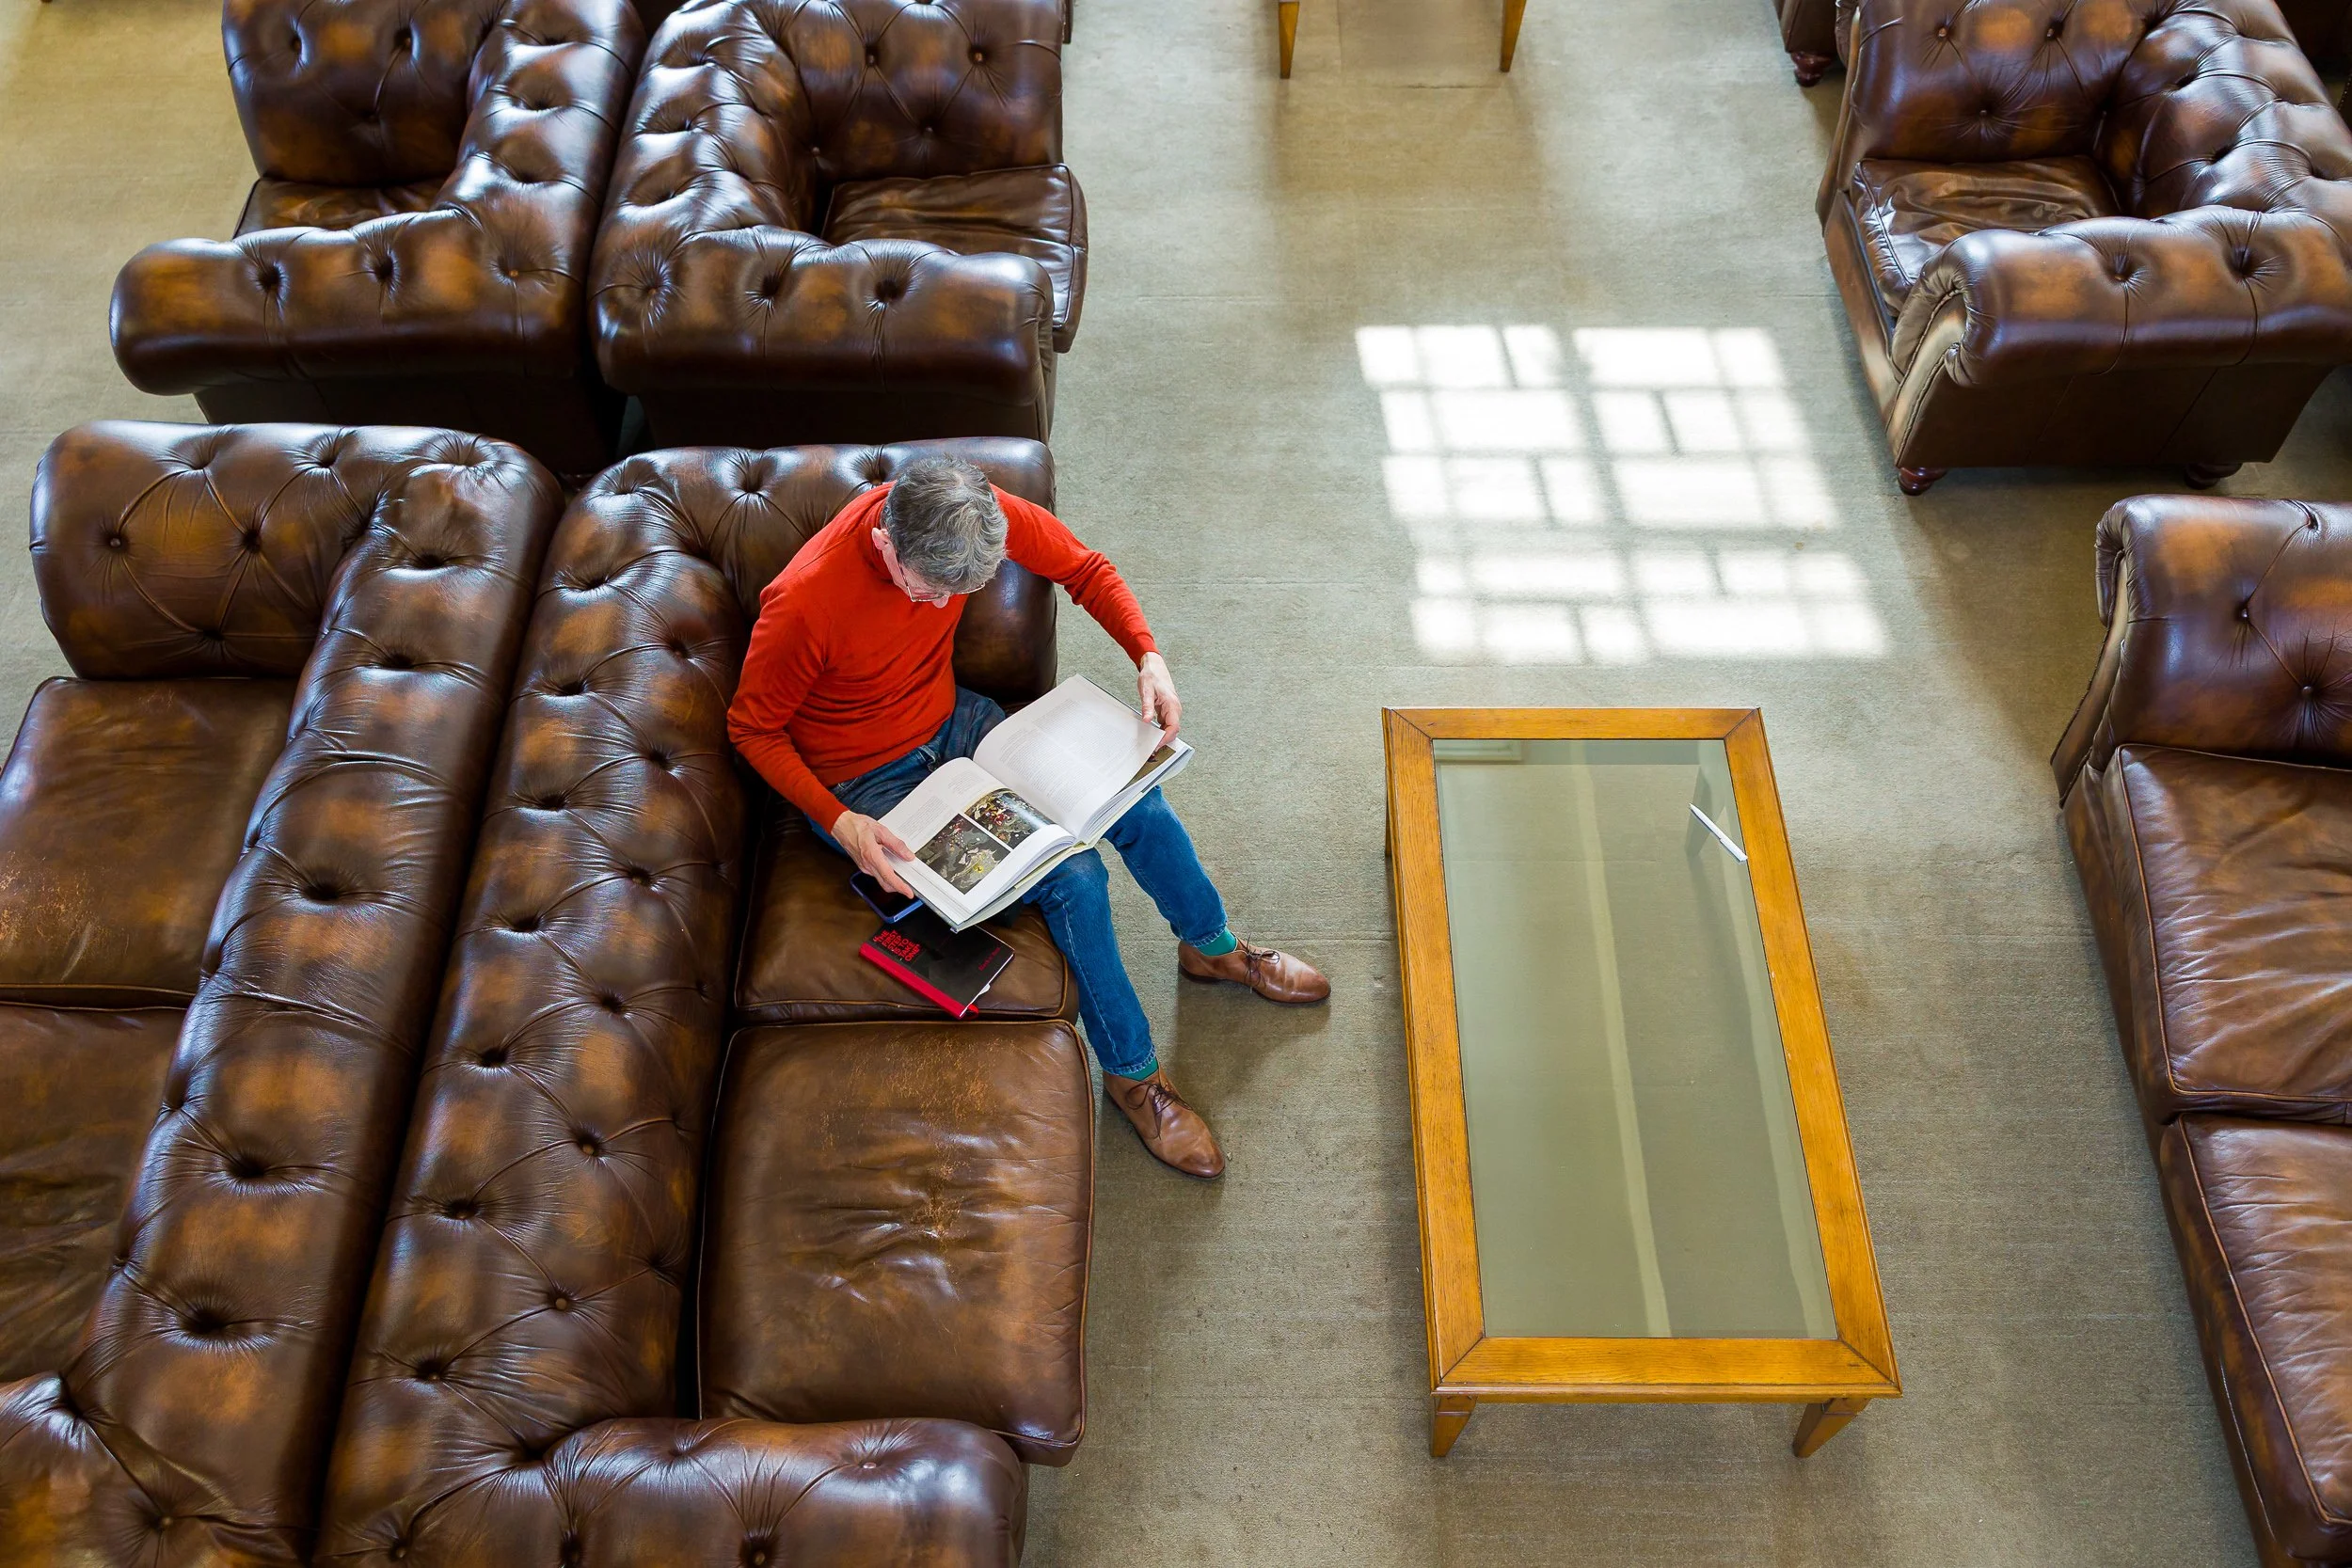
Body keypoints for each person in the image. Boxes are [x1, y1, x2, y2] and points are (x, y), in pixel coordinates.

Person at [727, 458, 1329, 1179]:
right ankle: (1134, 1075)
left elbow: (1085, 568)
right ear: (887, 539)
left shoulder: (971, 510)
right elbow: (751, 729)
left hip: (955, 722)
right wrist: (841, 820)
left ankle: (1213, 945)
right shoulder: (803, 600)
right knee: (1074, 874)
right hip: (866, 784)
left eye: (955, 595)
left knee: (1135, 794)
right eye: (928, 589)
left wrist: (1149, 655)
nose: (933, 607)